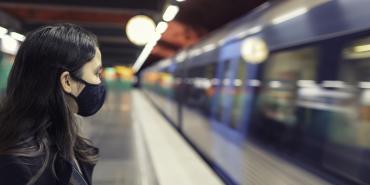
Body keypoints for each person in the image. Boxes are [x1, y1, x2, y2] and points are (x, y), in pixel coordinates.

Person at [0, 23, 106, 185]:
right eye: (96, 73)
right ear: (67, 81)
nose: (99, 82)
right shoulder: (18, 169)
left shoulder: (69, 142)